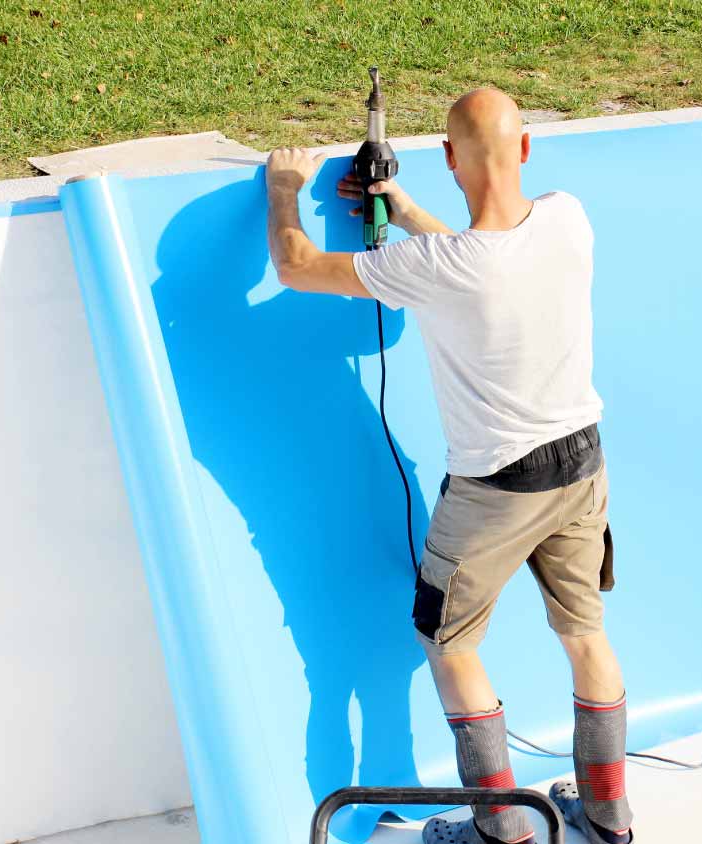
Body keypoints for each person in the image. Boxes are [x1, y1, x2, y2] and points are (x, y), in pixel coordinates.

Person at [264, 87, 633, 844]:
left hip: (498, 487)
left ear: (448, 158)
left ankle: (502, 833)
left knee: (451, 643)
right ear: (525, 149)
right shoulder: (569, 218)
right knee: (587, 637)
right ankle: (608, 821)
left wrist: (283, 192)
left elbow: (296, 265)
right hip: (583, 468)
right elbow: (481, 265)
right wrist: (397, 206)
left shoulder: (437, 264)